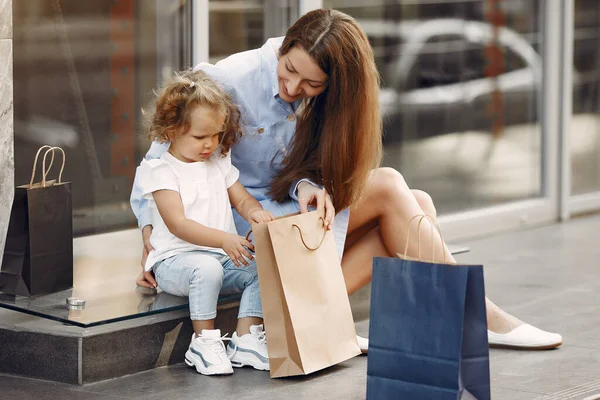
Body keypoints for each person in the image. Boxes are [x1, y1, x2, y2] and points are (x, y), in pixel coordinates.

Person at [132, 8, 562, 351]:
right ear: (285, 45)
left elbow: (293, 169)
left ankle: (325, 323)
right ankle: (480, 317)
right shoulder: (229, 79)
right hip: (243, 229)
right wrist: (153, 238)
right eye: (288, 69)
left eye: (311, 83)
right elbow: (159, 160)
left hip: (286, 214)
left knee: (418, 208)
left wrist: (307, 187)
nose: (293, 87)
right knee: (393, 189)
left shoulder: (326, 102)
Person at [134, 69, 275, 376]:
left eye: (216, 134)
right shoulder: (160, 171)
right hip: (175, 263)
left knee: (264, 266)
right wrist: (225, 239)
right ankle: (203, 341)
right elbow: (177, 224)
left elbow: (242, 199)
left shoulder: (218, 161)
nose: (210, 144)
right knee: (207, 268)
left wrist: (253, 212)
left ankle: (246, 338)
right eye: (200, 136)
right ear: (171, 130)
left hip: (218, 259)